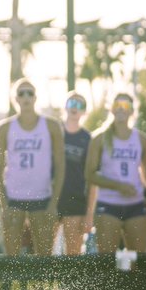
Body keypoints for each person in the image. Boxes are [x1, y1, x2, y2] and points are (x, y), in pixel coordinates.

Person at [0, 79, 65, 257]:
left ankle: (42, 286)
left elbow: (61, 167)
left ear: (35, 98)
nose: (25, 97)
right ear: (15, 99)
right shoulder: (5, 127)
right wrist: (4, 205)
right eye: (21, 93)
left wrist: (53, 203)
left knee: (44, 256)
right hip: (14, 197)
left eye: (29, 93)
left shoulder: (51, 126)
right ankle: (11, 285)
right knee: (12, 257)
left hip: (42, 196)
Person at [85, 92, 146, 255]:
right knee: (107, 261)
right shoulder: (99, 138)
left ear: (132, 111)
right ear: (111, 109)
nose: (121, 109)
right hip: (108, 205)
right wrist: (118, 186)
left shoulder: (142, 140)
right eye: (117, 105)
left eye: (125, 105)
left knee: (137, 260)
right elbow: (90, 174)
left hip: (134, 205)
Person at [57, 91, 93, 255]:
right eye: (72, 103)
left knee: (73, 256)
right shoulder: (53, 132)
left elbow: (93, 180)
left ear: (84, 111)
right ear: (65, 106)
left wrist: (89, 214)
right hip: (50, 199)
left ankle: (69, 282)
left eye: (80, 105)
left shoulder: (88, 139)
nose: (75, 107)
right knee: (42, 254)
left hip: (75, 201)